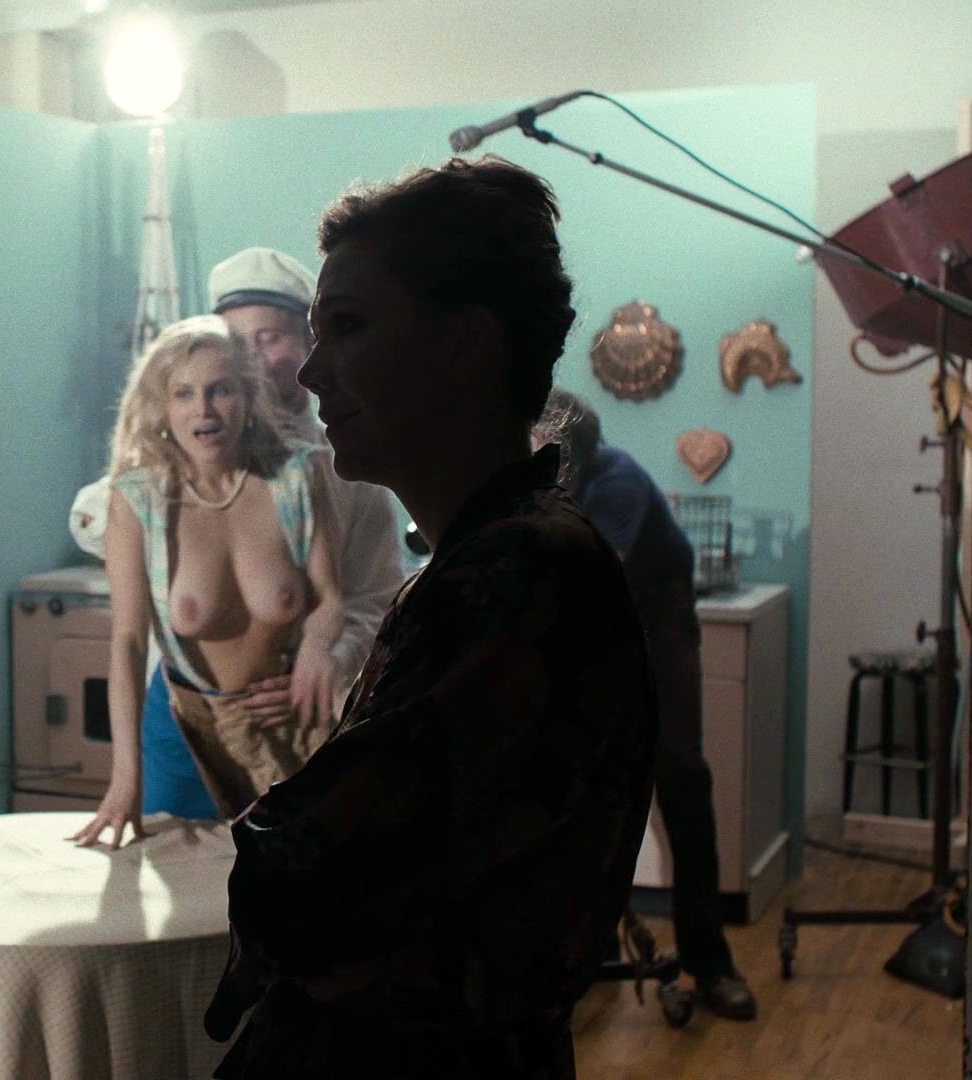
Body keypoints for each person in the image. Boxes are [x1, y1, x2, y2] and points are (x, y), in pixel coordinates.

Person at [201, 158, 659, 1078]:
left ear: (465, 343)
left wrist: (269, 836)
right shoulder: (482, 559)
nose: (313, 371)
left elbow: (310, 883)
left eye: (348, 326)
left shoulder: (520, 574)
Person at [70, 247, 406, 821]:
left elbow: (377, 600)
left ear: (310, 342)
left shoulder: (340, 465)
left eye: (269, 338)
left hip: (299, 708)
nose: (253, 356)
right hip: (186, 707)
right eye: (236, 339)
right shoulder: (162, 471)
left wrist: (326, 657)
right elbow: (96, 518)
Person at [69, 315, 345, 850]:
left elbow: (331, 599)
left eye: (221, 390)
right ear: (163, 408)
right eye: (185, 393)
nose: (205, 410)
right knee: (183, 891)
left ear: (247, 397)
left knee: (310, 883)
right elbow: (128, 641)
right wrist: (125, 776)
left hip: (288, 719)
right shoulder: (138, 500)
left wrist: (316, 646)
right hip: (188, 733)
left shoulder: (298, 477)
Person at [536, 387, 757, 1021]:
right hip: (588, 629)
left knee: (681, 778)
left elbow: (590, 578)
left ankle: (710, 962)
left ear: (574, 452)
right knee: (583, 792)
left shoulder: (618, 481)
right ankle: (592, 950)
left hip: (655, 622)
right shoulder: (539, 479)